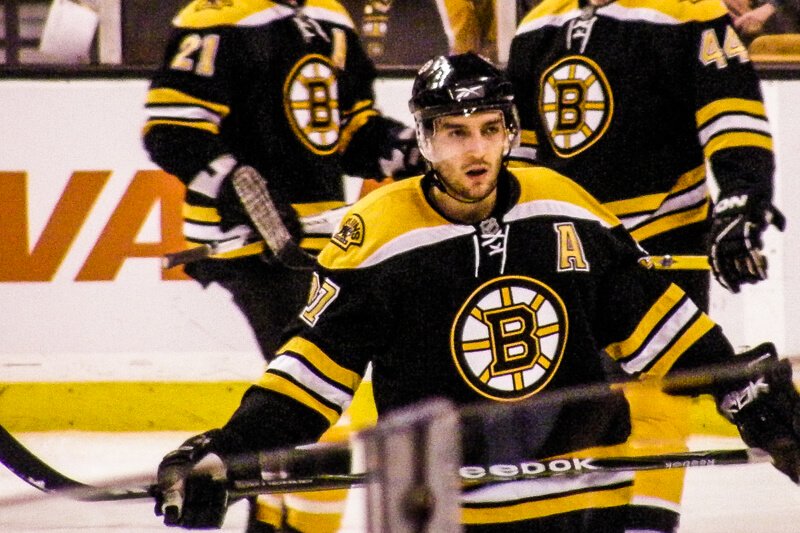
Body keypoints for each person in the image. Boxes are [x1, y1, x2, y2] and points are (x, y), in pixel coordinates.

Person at [151, 53, 800, 532]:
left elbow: (660, 325)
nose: (477, 149)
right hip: (440, 507)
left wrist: (738, 385)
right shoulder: (376, 235)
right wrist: (231, 448)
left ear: (511, 131)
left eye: (491, 128)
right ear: (426, 140)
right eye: (456, 132)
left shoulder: (567, 206)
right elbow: (310, 374)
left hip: (579, 494)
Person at [142, 1, 420, 531]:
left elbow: (349, 132)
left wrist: (412, 149)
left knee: (313, 411)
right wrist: (243, 192)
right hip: (248, 247)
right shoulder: (215, 15)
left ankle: (270, 520)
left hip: (320, 244)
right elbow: (172, 132)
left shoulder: (332, 15)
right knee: (318, 406)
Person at [506, 0, 785, 313]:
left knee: (679, 361)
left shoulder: (690, 12)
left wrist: (741, 197)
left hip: (664, 242)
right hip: (569, 247)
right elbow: (521, 151)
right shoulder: (536, 25)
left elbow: (732, 116)